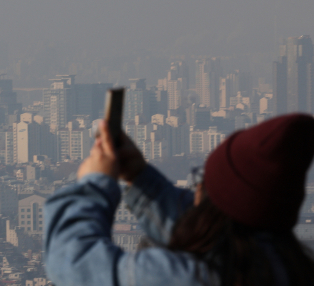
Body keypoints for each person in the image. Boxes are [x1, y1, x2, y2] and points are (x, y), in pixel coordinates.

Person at [43, 113, 314, 286]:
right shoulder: (286, 266)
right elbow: (202, 226)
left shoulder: (186, 277)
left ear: (210, 201)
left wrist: (94, 183)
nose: (193, 190)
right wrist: (140, 178)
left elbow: (74, 263)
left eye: (200, 180)